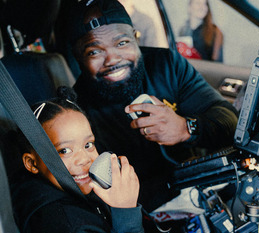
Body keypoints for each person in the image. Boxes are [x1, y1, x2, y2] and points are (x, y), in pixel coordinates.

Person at [66, 0, 238, 212]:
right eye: (94, 52)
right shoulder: (75, 111)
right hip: (145, 209)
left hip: (201, 187)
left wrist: (186, 128)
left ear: (135, 38)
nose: (112, 59)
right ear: (78, 59)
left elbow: (230, 119)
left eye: (122, 43)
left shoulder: (166, 65)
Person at [11, 87, 143, 233]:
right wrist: (126, 213)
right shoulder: (68, 224)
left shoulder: (66, 190)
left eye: (88, 145)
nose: (84, 159)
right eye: (64, 151)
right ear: (31, 163)